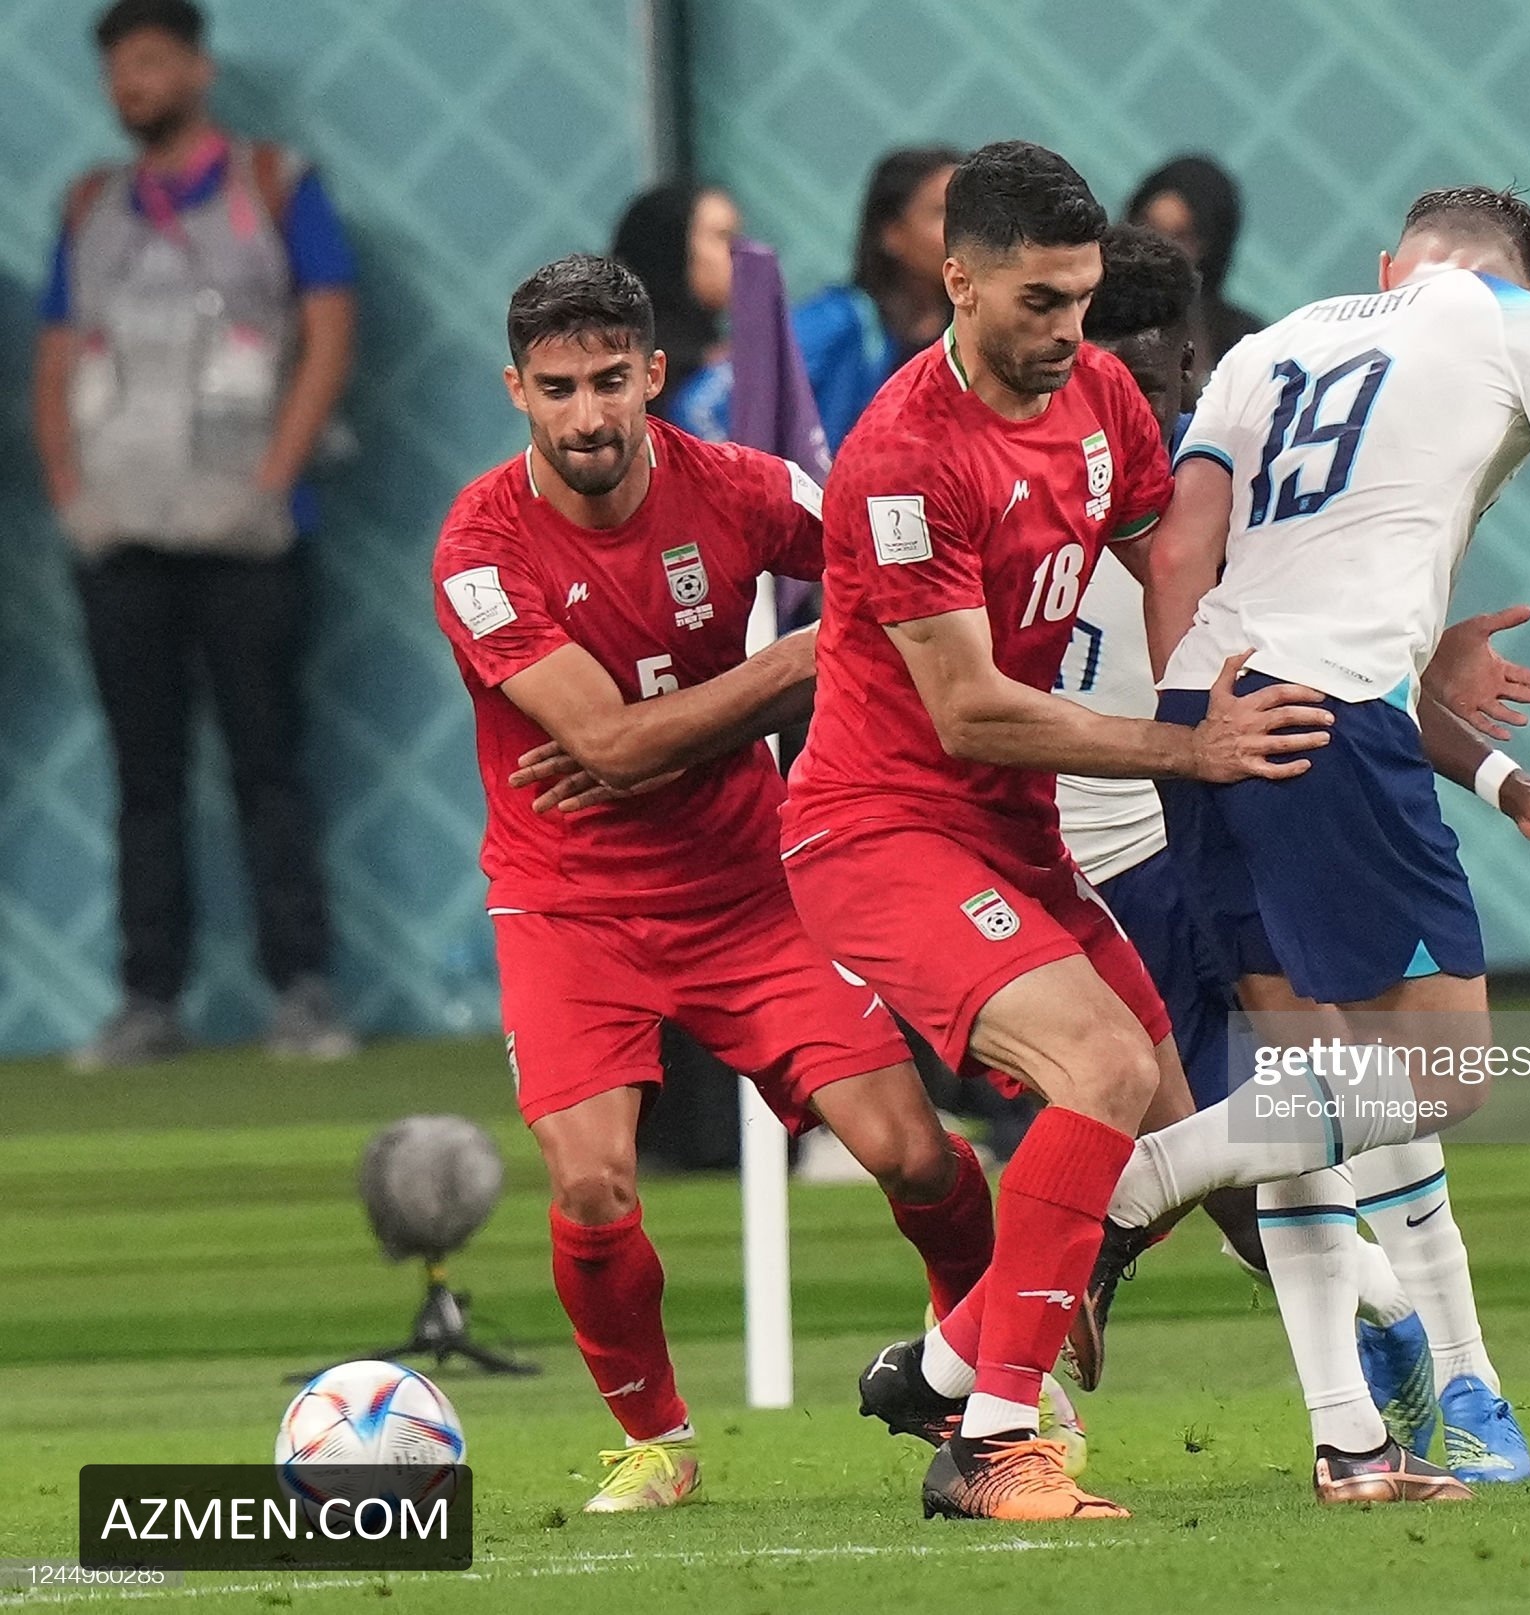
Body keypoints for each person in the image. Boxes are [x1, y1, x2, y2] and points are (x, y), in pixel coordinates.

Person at [1078, 186, 1530, 1471]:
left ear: (1389, 263)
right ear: (1514, 275)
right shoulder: (1516, 324)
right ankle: (1134, 1188)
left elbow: (1180, 557)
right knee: (1439, 1071)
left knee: (1307, 1086)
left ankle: (1352, 1436)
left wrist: (1195, 717)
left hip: (1206, 724)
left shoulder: (1272, 345)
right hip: (1321, 724)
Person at [777, 140, 1345, 1522]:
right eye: (1038, 301)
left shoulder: (1096, 395)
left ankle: (942, 1367)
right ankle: (990, 1444)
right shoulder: (901, 461)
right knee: (1098, 1066)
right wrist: (1188, 749)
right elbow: (970, 710)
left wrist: (1373, 660)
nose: (1068, 331)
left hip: (1012, 837)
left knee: (1163, 1147)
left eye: (1081, 298)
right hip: (881, 832)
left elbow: (1179, 569)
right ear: (956, 281)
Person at [429, 254, 995, 1515]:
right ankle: (657, 1440)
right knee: (592, 1187)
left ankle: (991, 1374)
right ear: (516, 391)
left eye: (609, 382)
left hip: (749, 888)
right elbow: (615, 746)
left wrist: (798, 673)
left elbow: (895, 575)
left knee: (912, 1153)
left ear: (653, 376)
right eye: (559, 388)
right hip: (566, 905)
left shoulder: (745, 487)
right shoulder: (478, 549)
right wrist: (796, 660)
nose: (587, 415)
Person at [1059, 225, 1530, 1488]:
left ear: (1185, 364)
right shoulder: (1027, 485)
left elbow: (1345, 671)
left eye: (1139, 374)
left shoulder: (1235, 482)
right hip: (1097, 864)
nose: (1119, 401)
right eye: (1091, 370)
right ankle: (1370, 1358)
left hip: (1223, 801)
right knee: (1274, 1140)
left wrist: (1502, 779)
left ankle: (1456, 1381)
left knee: (1351, 1088)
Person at [32, 0, 358, 1067]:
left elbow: (330, 327)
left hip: (247, 532)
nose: (130, 84)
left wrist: (274, 478)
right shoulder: (90, 205)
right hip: (122, 530)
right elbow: (57, 347)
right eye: (115, 68)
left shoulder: (277, 185)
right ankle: (148, 996)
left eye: (148, 62)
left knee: (269, 761)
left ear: (197, 70)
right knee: (144, 775)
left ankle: (303, 988)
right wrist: (68, 484)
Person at [794, 146, 960, 449]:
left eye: (967, 214)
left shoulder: (978, 332)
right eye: (941, 213)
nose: (962, 231)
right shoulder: (837, 321)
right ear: (892, 234)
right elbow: (709, 410)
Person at [608, 181, 741, 441]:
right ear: (673, 247)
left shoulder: (715, 352)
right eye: (722, 237)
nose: (740, 254)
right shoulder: (615, 358)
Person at [1126, 154, 1265, 380]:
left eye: (1177, 237)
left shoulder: (1238, 346)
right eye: (1147, 225)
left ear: (1208, 248)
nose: (1153, 247)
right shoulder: (1082, 290)